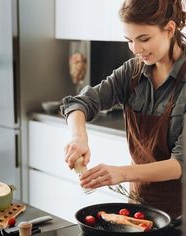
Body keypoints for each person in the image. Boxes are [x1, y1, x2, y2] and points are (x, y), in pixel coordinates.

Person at [60, 0, 186, 219]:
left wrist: (121, 173)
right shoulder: (133, 72)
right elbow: (79, 103)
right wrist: (78, 137)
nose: (136, 50)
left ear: (169, 29)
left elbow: (180, 164)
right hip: (139, 207)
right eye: (129, 40)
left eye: (144, 39)